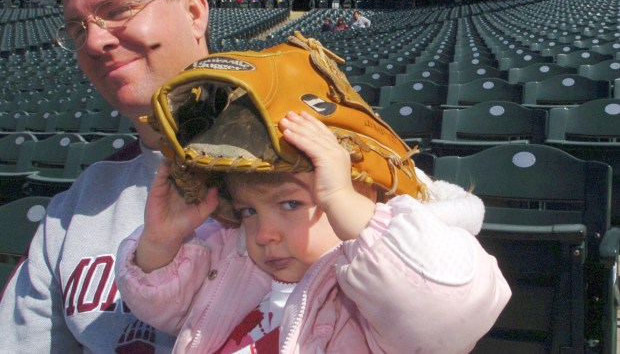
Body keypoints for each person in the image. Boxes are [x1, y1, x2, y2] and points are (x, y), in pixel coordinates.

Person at [115, 40, 511, 353]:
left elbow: (444, 313)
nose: (263, 234)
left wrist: (354, 215)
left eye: (291, 203)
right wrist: (161, 243)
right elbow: (162, 309)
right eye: (248, 210)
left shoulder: (370, 299)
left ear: (365, 189)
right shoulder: (231, 258)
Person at [0, 0, 210, 352]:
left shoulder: (319, 174)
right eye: (78, 29)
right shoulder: (73, 209)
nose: (94, 41)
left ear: (194, 13)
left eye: (117, 11)